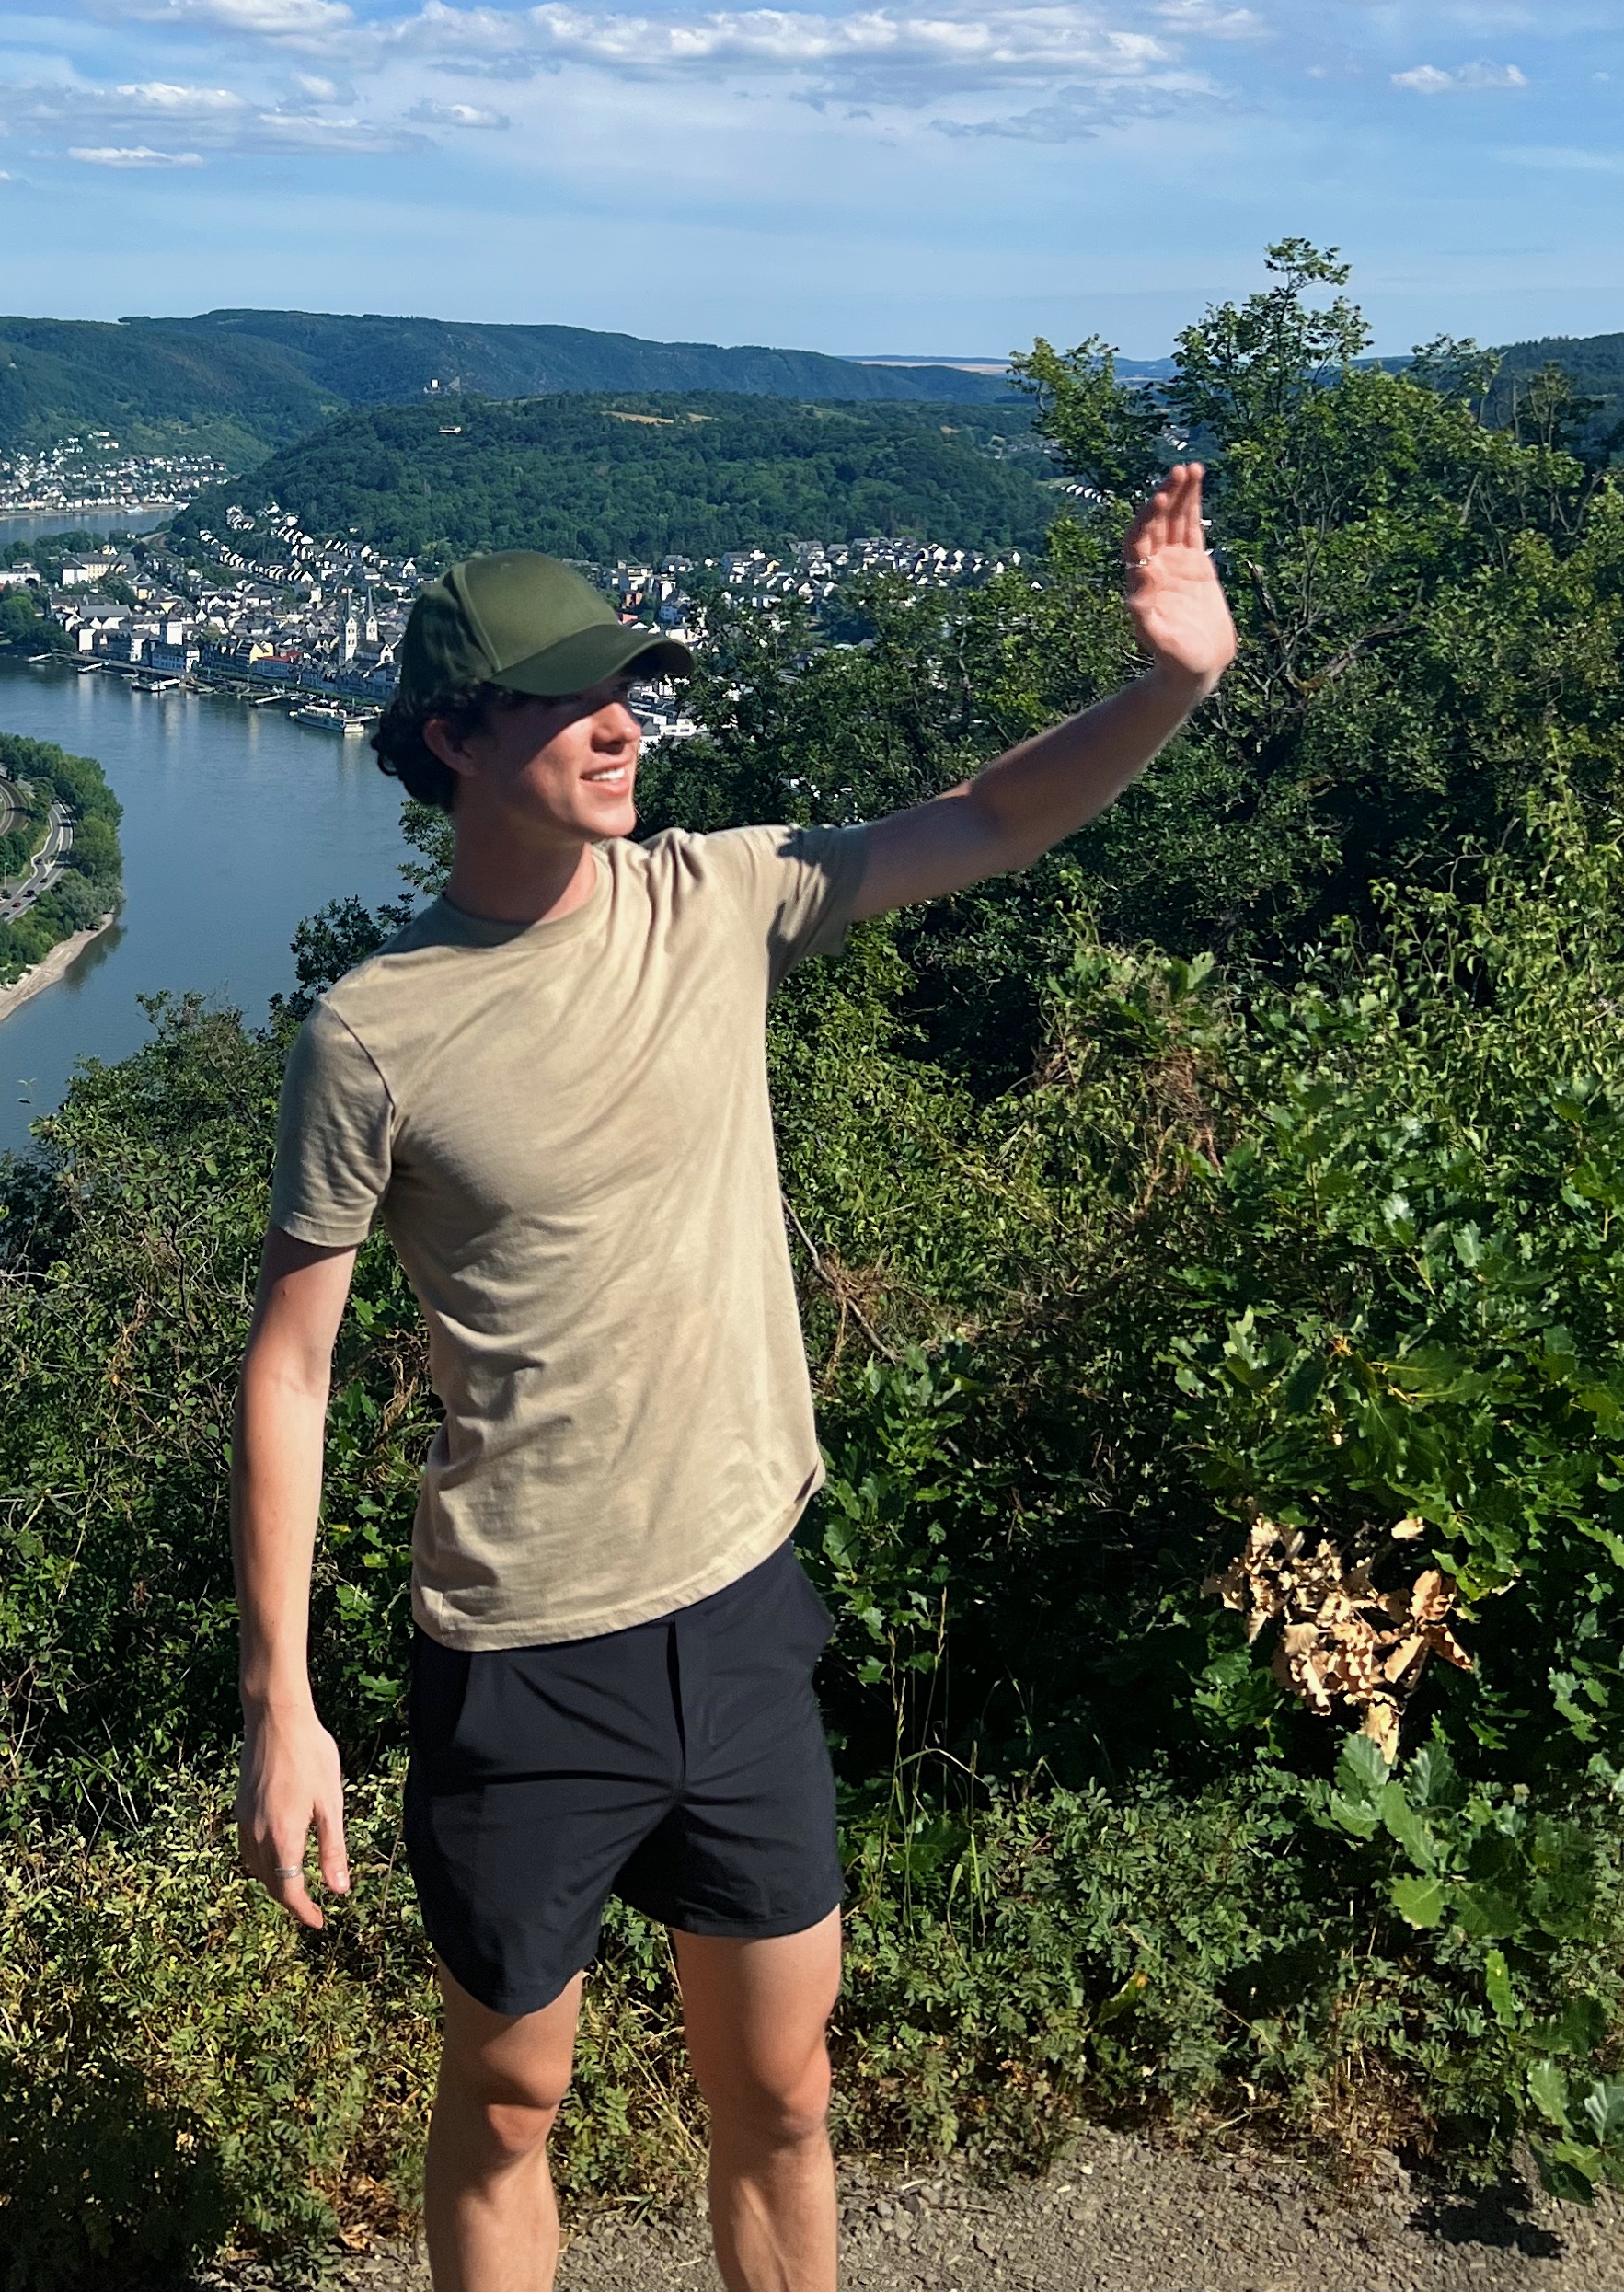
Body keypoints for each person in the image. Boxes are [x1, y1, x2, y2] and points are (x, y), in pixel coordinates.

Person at [233, 469, 1238, 2292]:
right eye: (569, 701)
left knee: (781, 2089)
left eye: (628, 690)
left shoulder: (715, 898)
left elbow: (989, 817)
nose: (622, 726)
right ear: (454, 739)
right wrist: (281, 1701)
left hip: (741, 1604)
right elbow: (291, 1371)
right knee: (512, 2099)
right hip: (525, 1649)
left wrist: (1170, 682)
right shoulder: (373, 1031)